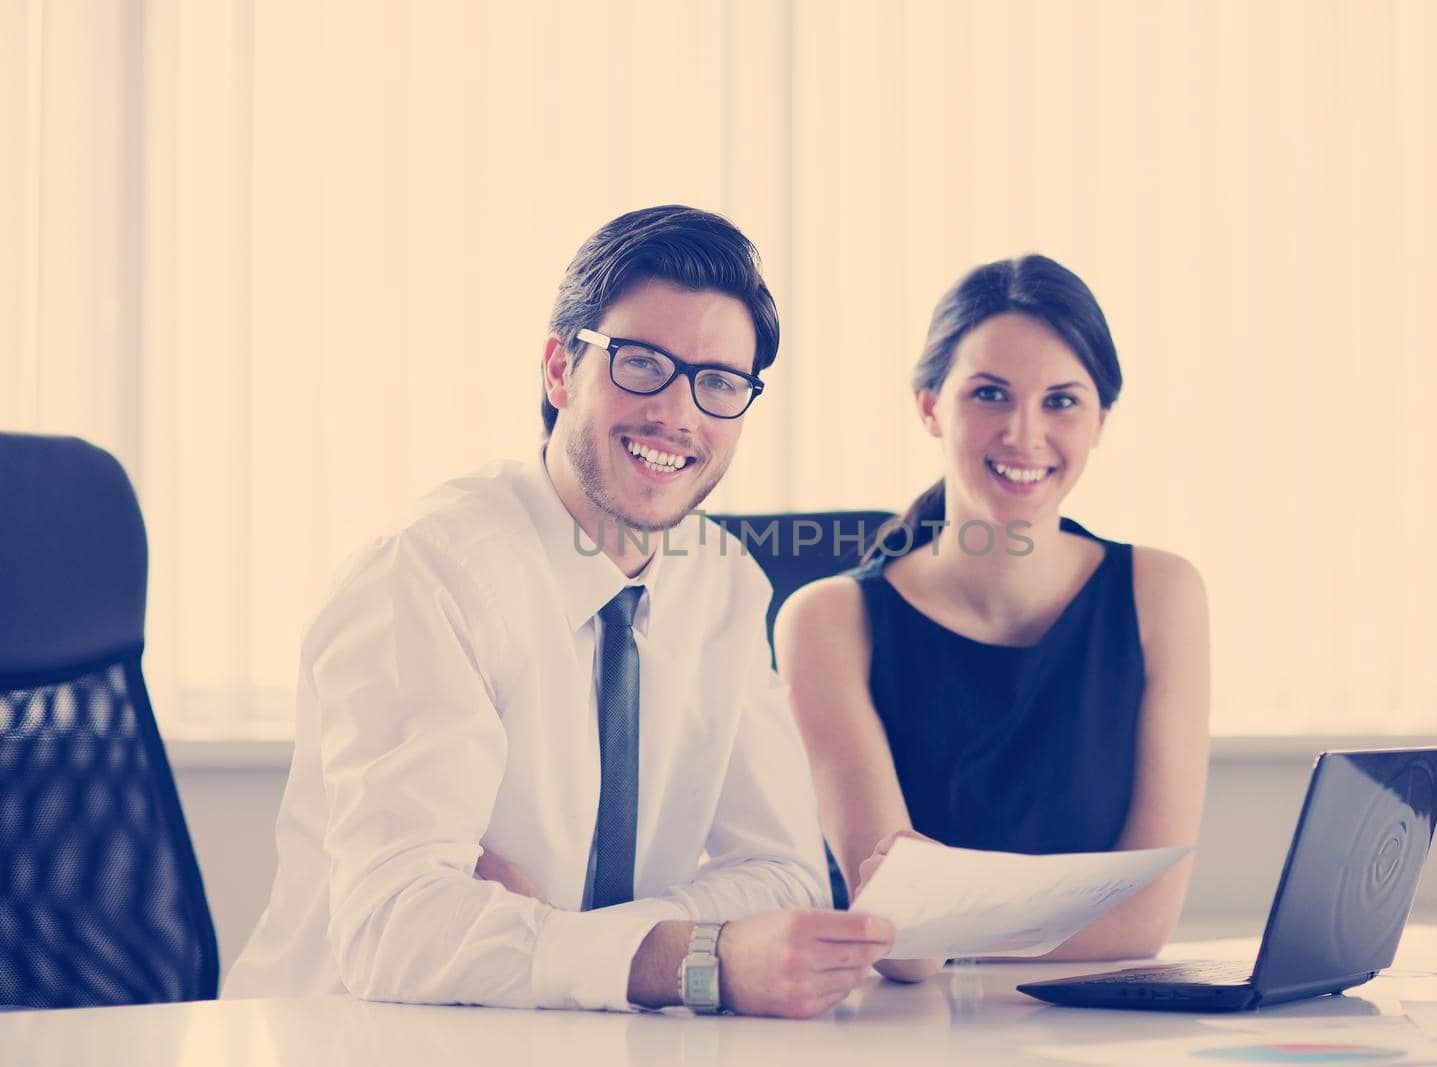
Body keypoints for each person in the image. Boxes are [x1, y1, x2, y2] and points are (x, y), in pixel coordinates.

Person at [224, 206, 893, 1017]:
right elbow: (393, 923)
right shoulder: (426, 575)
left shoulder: (722, 581)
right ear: (558, 370)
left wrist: (565, 938)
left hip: (584, 1037)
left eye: (718, 383)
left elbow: (785, 872)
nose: (678, 414)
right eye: (642, 363)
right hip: (358, 1037)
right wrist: (682, 955)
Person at [774, 254, 1209, 983]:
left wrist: (951, 920)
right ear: (928, 406)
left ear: (1101, 420)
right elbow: (902, 942)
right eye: (989, 394)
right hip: (907, 1036)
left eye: (1062, 401)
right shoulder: (826, 621)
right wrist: (934, 929)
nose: (1024, 433)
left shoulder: (1162, 593)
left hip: (1094, 1035)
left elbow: (1144, 922)